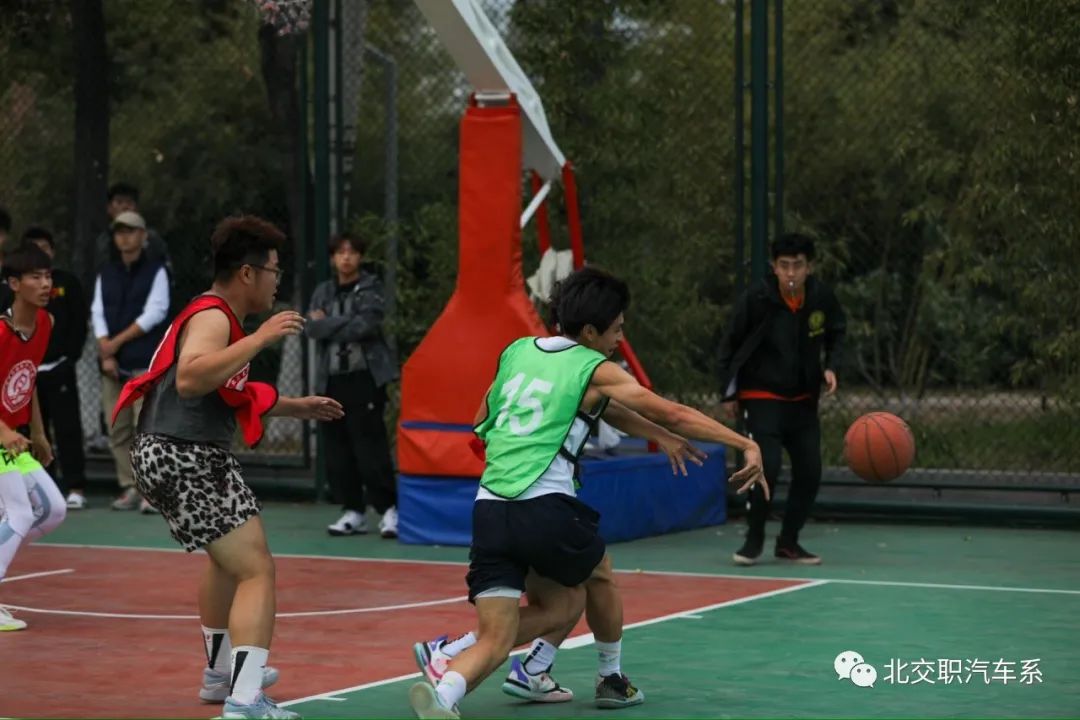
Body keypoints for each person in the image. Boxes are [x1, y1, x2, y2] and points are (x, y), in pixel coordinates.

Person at [406, 267, 764, 719]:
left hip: (489, 509)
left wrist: (654, 435)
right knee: (598, 576)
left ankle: (446, 689)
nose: (620, 338)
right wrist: (744, 443)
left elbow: (484, 419)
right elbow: (672, 412)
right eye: (616, 329)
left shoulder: (518, 352)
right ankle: (611, 678)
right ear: (591, 331)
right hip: (545, 505)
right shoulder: (592, 367)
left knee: (528, 620)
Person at [117, 214, 343, 719]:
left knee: (224, 561)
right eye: (274, 271)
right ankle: (245, 699)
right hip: (186, 451)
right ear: (247, 273)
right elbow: (192, 378)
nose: (277, 281)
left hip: (162, 450)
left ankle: (221, 674)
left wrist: (295, 406)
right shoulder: (215, 316)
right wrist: (261, 338)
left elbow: (227, 391)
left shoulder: (215, 316)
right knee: (257, 570)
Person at [716, 232, 846, 566]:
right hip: (761, 395)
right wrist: (728, 391)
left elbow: (837, 332)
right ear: (774, 267)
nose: (791, 272)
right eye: (784, 265)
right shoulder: (757, 299)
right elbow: (730, 343)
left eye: (797, 265)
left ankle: (789, 542)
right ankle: (753, 539)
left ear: (809, 267)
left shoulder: (821, 297)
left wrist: (831, 367)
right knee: (766, 466)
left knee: (810, 471)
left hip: (803, 399)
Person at [305, 233, 399, 538]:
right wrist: (339, 322)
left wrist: (329, 322)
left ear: (360, 257)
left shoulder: (371, 288)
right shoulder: (323, 291)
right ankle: (353, 511)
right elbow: (311, 327)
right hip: (331, 380)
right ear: (333, 258)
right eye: (340, 253)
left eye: (352, 252)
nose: (346, 258)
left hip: (365, 379)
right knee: (337, 449)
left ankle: (389, 510)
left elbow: (365, 325)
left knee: (370, 446)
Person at [0, 244, 67, 631]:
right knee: (21, 513)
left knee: (52, 510)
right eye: (35, 277)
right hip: (1, 437)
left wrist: (38, 432)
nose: (45, 284)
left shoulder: (45, 323)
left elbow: (29, 378)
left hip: (12, 440)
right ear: (14, 284)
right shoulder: (0, 331)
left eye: (48, 276)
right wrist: (6, 430)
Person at [92, 210, 170, 512]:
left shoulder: (157, 271)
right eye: (119, 232)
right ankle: (129, 488)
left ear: (143, 236)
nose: (124, 237)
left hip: (144, 363)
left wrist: (114, 344)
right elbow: (98, 312)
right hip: (112, 367)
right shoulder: (106, 273)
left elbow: (155, 313)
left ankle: (151, 492)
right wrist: (106, 351)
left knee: (146, 430)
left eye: (130, 231)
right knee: (118, 429)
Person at [22, 227, 90, 510]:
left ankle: (75, 487)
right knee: (34, 433)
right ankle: (43, 489)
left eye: (44, 247)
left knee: (67, 429)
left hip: (59, 368)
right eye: (33, 248)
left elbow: (79, 323)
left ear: (52, 251)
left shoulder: (67, 283)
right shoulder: (16, 286)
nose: (39, 253)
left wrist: (69, 359)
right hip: (28, 374)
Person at [93, 182, 169, 270]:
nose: (125, 207)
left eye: (129, 202)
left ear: (136, 209)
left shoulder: (152, 238)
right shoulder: (104, 241)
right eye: (119, 202)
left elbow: (166, 269)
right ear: (109, 208)